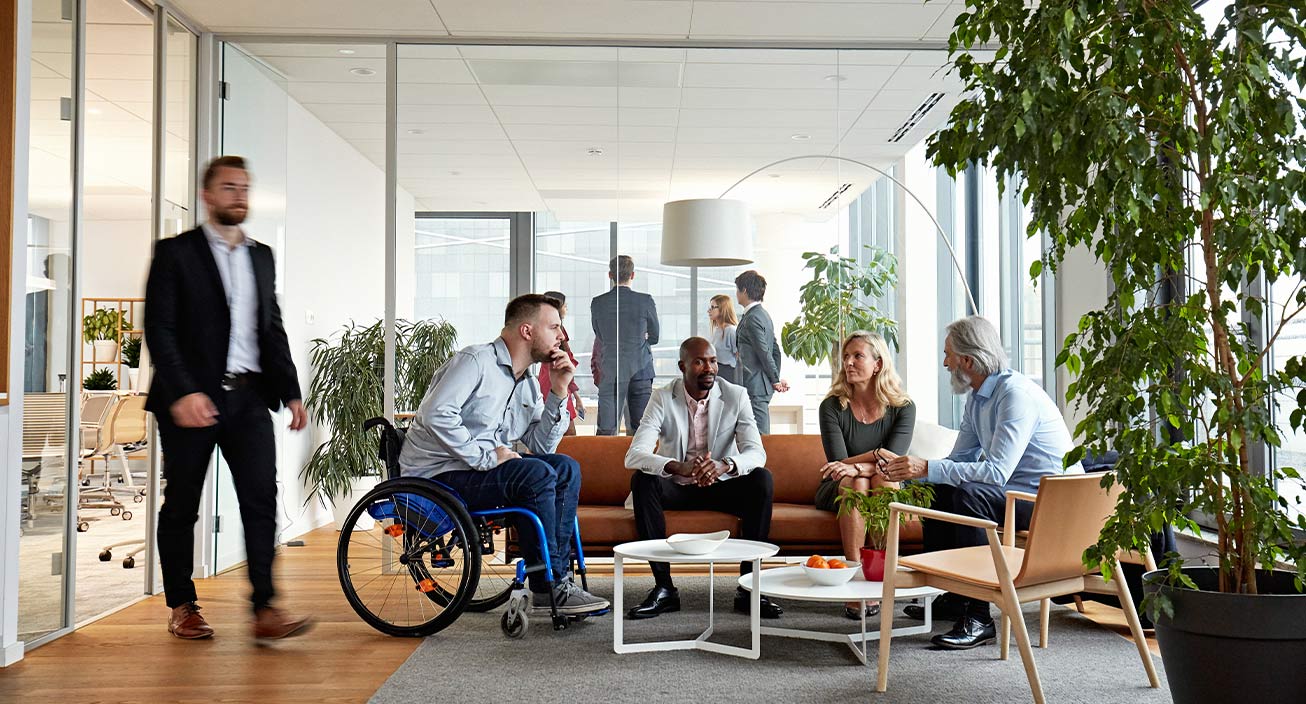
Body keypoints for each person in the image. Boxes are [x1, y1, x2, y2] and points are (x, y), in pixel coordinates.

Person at [144, 155, 313, 641]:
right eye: (229, 187)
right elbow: (160, 328)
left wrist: (291, 393)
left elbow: (271, 328)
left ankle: (265, 607)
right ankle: (182, 605)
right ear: (207, 195)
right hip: (189, 402)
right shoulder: (176, 253)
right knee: (182, 506)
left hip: (247, 399)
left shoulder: (261, 255)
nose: (239, 195)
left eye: (244, 188)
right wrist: (183, 392)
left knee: (261, 499)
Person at [879, 316, 1082, 650]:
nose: (945, 362)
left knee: (969, 496)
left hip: (1051, 504)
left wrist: (927, 466)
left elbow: (997, 473)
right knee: (938, 488)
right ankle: (957, 594)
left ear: (967, 361)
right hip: (1018, 495)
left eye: (948, 355)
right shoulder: (977, 397)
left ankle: (979, 616)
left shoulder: (1014, 395)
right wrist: (917, 471)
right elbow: (960, 459)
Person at [398, 294, 609, 616]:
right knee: (534, 473)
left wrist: (559, 391)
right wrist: (485, 458)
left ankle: (559, 577)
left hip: (478, 471)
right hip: (438, 474)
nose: (562, 336)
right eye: (554, 327)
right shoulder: (475, 361)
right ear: (527, 331)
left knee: (564, 467)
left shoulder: (525, 382)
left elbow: (541, 447)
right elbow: (437, 413)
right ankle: (546, 584)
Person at [624, 337, 782, 620]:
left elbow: (756, 452)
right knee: (642, 480)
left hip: (721, 486)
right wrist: (677, 467)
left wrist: (725, 465)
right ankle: (664, 588)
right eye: (699, 362)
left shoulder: (736, 395)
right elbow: (634, 455)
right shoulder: (662, 397)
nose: (709, 368)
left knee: (762, 479)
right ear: (682, 366)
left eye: (712, 361)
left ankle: (749, 588)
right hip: (678, 488)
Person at [815, 331, 916, 620]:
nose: (848, 362)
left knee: (882, 480)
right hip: (839, 486)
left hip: (884, 479)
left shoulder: (903, 407)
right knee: (855, 482)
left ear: (878, 364)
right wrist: (875, 455)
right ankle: (855, 579)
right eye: (845, 357)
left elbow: (893, 463)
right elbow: (837, 464)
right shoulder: (832, 406)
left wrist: (863, 465)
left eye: (857, 356)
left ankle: (879, 577)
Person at [591, 255, 660, 436]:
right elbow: (655, 336)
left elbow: (599, 334)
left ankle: (605, 465)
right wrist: (643, 339)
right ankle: (637, 465)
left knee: (606, 430)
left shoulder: (598, 302)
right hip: (640, 371)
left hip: (610, 371)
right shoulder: (645, 300)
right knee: (641, 431)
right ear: (633, 275)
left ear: (610, 275)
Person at [734, 270, 788, 434]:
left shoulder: (752, 318)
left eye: (737, 289)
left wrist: (775, 379)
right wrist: (774, 378)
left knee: (760, 435)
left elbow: (765, 352)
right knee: (752, 433)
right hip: (760, 384)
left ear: (744, 290)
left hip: (755, 385)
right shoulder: (762, 315)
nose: (736, 294)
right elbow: (775, 350)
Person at [540, 291, 583, 435]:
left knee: (561, 433)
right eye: (565, 305)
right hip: (553, 385)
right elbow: (565, 366)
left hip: (557, 384)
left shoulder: (557, 331)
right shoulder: (552, 334)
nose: (566, 308)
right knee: (567, 434)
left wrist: (576, 396)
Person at [707, 294, 740, 384]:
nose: (709, 311)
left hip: (727, 373)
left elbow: (739, 356)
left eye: (713, 307)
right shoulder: (717, 330)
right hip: (716, 372)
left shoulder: (731, 330)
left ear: (723, 309)